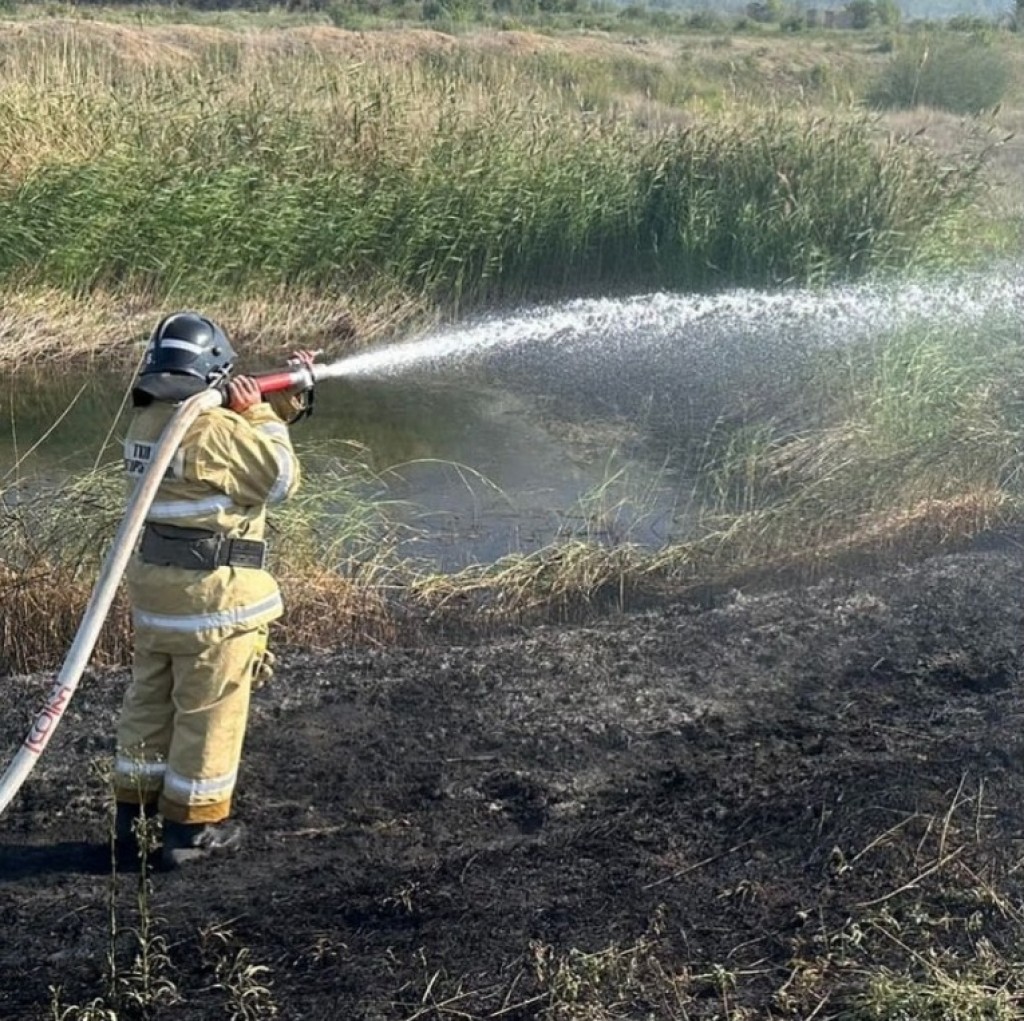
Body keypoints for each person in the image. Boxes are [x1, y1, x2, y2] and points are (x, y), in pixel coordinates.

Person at [113, 311, 313, 870]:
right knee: (208, 712)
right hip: (214, 604)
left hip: (157, 602)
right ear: (215, 370)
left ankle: (130, 823)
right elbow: (276, 477)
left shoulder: (149, 422)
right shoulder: (214, 429)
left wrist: (281, 404)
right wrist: (260, 415)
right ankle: (190, 835)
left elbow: (225, 466)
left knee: (149, 706)